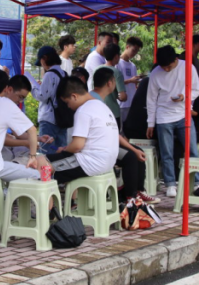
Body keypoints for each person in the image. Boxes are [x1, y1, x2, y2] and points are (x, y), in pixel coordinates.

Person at [48, 76, 148, 204]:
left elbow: (77, 145)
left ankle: (50, 210)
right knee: (58, 160)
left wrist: (64, 150)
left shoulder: (83, 110)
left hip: (90, 163)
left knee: (44, 165)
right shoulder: (103, 106)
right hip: (107, 163)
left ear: (74, 96)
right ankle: (74, 202)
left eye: (67, 103)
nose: (69, 107)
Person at [146, 46, 199, 199]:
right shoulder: (155, 73)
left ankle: (197, 181)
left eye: (168, 66)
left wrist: (184, 96)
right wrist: (151, 123)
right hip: (163, 117)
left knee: (192, 150)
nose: (166, 69)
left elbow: (197, 90)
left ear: (176, 59)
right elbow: (151, 99)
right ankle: (170, 183)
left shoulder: (188, 67)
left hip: (184, 114)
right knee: (166, 153)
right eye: (163, 67)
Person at [31, 46, 68, 149]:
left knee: (46, 151)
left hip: (49, 119)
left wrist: (33, 87)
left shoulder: (49, 74)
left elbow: (42, 96)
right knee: (61, 151)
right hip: (62, 118)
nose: (42, 64)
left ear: (45, 58)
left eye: (41, 61)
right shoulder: (64, 74)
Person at [118, 36, 142, 124]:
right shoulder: (117, 63)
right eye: (134, 50)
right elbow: (114, 83)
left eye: (137, 51)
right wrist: (130, 80)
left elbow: (134, 84)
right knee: (121, 128)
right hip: (121, 103)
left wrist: (137, 80)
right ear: (127, 47)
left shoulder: (133, 65)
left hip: (132, 102)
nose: (135, 53)